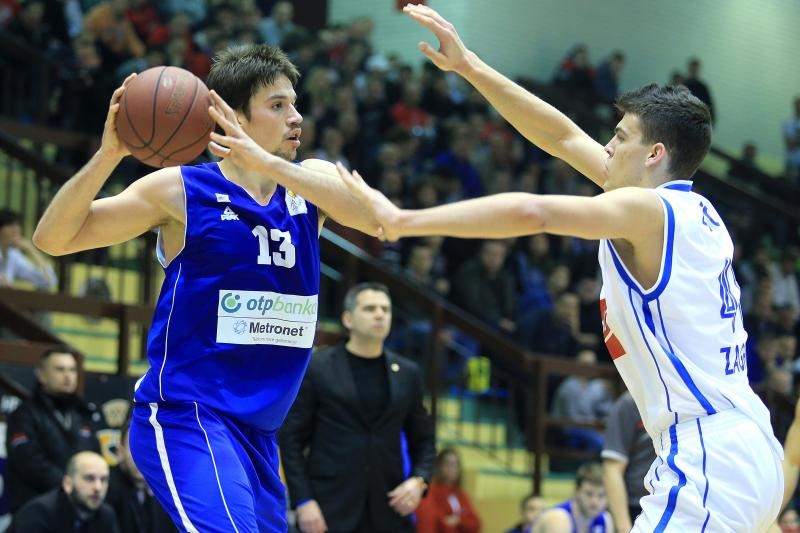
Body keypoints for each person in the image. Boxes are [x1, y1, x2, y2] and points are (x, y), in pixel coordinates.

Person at [334, 4, 784, 531]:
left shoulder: (644, 210)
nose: (608, 146)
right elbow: (563, 139)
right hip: (750, 442)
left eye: (620, 137)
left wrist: (402, 219)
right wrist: (471, 67)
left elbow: (536, 211)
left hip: (708, 453)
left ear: (655, 153)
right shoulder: (697, 212)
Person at [31, 43, 378, 531]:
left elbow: (379, 221)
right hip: (188, 417)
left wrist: (273, 165)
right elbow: (52, 238)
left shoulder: (308, 183)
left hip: (258, 434)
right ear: (231, 115)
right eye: (277, 106)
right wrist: (110, 154)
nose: (295, 117)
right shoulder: (179, 190)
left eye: (294, 104)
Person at [279, 282, 436, 533]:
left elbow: (425, 439)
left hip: (388, 508)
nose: (380, 315)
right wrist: (303, 500)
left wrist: (419, 481)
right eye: (370, 308)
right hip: (328, 507)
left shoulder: (407, 373)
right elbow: (291, 439)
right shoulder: (318, 367)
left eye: (386, 309)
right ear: (348, 318)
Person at [5, 345, 103, 512]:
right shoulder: (24, 414)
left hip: (79, 510)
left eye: (72, 370)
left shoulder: (84, 413)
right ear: (42, 375)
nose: (68, 376)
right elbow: (29, 464)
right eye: (60, 369)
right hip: (36, 509)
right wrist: (71, 486)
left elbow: (94, 457)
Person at [8, 450, 120, 533]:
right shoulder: (38, 514)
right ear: (68, 484)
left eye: (104, 480)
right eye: (89, 478)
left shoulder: (106, 515)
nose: (98, 487)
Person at [105, 421, 177, 533]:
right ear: (120, 452)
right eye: (136, 449)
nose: (143, 459)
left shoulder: (164, 490)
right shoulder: (105, 488)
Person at [601, 391, 654, 532]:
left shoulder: (685, 400)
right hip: (635, 505)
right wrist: (624, 526)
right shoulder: (629, 404)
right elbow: (612, 468)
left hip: (672, 502)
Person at [415, 447, 481, 533]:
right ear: (439, 466)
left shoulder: (461, 495)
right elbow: (438, 522)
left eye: (455, 464)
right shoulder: (431, 491)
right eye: (448, 464)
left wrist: (458, 521)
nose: (452, 469)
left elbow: (476, 524)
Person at [533, 462, 612, 533]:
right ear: (576, 492)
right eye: (589, 494)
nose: (595, 501)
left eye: (601, 496)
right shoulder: (559, 518)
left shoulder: (605, 520)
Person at [0, 208, 56, 290]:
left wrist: (31, 249)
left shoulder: (13, 256)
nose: (16, 230)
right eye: (10, 225)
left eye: (17, 225)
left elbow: (49, 281)